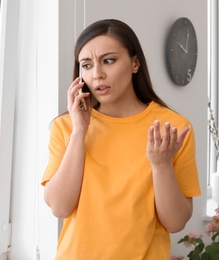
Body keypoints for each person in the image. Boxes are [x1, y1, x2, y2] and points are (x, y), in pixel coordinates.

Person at [41, 19, 201, 259]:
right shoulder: (66, 127)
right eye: (86, 65)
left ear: (135, 63)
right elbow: (60, 207)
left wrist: (161, 164)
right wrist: (79, 132)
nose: (97, 74)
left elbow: (175, 223)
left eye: (108, 60)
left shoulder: (173, 128)